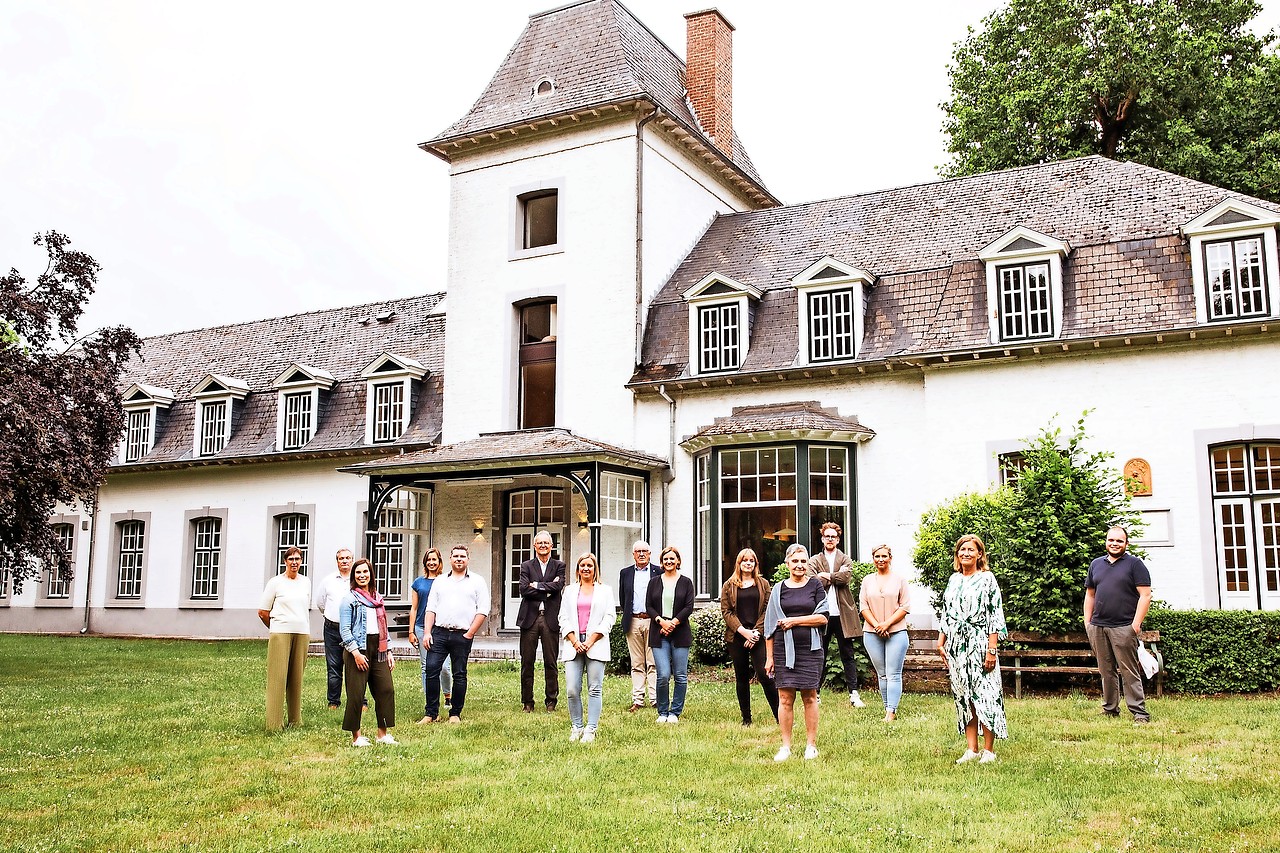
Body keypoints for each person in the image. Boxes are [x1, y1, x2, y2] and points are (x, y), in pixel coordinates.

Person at [937, 534, 1008, 764]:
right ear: (957, 554)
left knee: (985, 693)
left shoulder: (987, 579)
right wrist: (941, 641)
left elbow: (995, 615)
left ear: (979, 554)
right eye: (962, 549)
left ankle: (989, 750)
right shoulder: (953, 580)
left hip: (980, 643)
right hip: (957, 646)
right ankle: (971, 749)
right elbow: (947, 613)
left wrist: (992, 649)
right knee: (963, 695)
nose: (966, 553)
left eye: (971, 550)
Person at [764, 543, 828, 761]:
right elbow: (770, 626)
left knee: (810, 696)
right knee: (785, 698)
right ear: (787, 564)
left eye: (803, 561)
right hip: (783, 650)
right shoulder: (778, 589)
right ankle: (786, 746)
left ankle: (811, 745)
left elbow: (822, 617)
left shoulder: (816, 586)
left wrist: (794, 621)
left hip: (811, 650)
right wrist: (770, 657)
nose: (800, 565)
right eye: (795, 561)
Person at [1084, 525, 1153, 724]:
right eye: (1111, 540)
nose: (1114, 544)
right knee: (1106, 671)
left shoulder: (1135, 564)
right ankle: (1110, 709)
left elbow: (1145, 595)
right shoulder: (1096, 564)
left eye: (1119, 541)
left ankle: (1139, 712)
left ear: (1126, 544)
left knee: (1129, 671)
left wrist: (1136, 625)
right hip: (1098, 627)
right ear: (1106, 541)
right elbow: (1090, 595)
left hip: (1124, 627)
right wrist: (1087, 622)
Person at [421, 544, 490, 723]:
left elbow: (483, 609)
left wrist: (470, 633)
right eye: (456, 556)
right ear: (450, 559)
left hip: (462, 634)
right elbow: (431, 608)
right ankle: (431, 713)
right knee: (431, 670)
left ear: (468, 559)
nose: (459, 559)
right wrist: (427, 632)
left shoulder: (477, 581)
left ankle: (455, 713)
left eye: (462, 556)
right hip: (439, 633)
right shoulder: (440, 581)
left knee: (459, 674)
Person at [558, 552, 616, 743]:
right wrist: (575, 641)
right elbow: (563, 617)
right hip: (573, 642)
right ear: (578, 569)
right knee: (572, 689)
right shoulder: (569, 591)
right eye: (582, 565)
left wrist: (591, 640)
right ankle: (577, 726)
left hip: (596, 643)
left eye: (589, 566)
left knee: (594, 688)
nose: (586, 569)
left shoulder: (605, 591)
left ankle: (591, 728)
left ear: (595, 569)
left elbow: (610, 617)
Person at [338, 559, 397, 746]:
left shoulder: (378, 598)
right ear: (354, 576)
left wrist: (388, 651)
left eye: (365, 572)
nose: (362, 575)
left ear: (371, 574)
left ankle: (382, 734)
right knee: (356, 694)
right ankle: (356, 737)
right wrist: (355, 653)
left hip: (378, 649)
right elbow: (345, 629)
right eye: (358, 573)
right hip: (358, 648)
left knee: (386, 689)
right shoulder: (349, 599)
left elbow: (383, 627)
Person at [806, 521, 865, 707]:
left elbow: (845, 578)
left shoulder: (845, 558)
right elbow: (812, 580)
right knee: (819, 654)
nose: (830, 539)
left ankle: (854, 693)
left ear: (838, 539)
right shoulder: (815, 559)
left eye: (833, 536)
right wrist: (833, 576)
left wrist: (826, 576)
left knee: (847, 654)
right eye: (827, 536)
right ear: (822, 539)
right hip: (822, 614)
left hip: (842, 614)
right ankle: (816, 692)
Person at [719, 548, 779, 726]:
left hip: (759, 636)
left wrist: (755, 632)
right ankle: (746, 718)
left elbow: (768, 608)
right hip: (737, 637)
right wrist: (743, 631)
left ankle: (779, 716)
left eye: (751, 560)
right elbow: (726, 611)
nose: (748, 563)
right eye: (744, 560)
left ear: (755, 563)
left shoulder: (763, 584)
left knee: (765, 675)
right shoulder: (729, 585)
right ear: (739, 563)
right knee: (742, 677)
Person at [258, 546, 312, 732]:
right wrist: (275, 627)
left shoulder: (306, 582)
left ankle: (295, 720)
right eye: (291, 559)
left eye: (298, 559)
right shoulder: (275, 582)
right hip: (280, 632)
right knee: (278, 678)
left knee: (296, 677)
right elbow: (263, 612)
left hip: (302, 632)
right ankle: (274, 724)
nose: (295, 562)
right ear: (285, 561)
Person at [859, 544, 911, 722]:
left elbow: (905, 606)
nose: (880, 559)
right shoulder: (867, 580)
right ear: (873, 559)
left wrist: (887, 624)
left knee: (893, 673)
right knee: (881, 673)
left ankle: (891, 711)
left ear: (890, 558)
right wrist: (877, 626)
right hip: (872, 632)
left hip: (896, 632)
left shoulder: (899, 580)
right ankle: (886, 706)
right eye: (877, 556)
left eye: (884, 556)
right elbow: (863, 606)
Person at [517, 530, 566, 712]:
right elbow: (523, 589)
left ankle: (551, 701)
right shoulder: (526, 566)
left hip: (550, 618)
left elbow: (559, 586)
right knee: (527, 662)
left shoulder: (559, 565)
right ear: (534, 546)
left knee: (550, 662)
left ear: (552, 546)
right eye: (540, 543)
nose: (543, 546)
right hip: (530, 618)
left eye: (547, 543)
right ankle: (527, 702)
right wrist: (547, 588)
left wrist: (536, 585)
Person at [646, 546, 695, 724]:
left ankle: (675, 712)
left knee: (680, 675)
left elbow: (689, 606)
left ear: (678, 561)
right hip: (659, 632)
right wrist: (662, 621)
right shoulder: (654, 582)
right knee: (664, 674)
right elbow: (649, 605)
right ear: (662, 562)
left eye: (672, 559)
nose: (669, 562)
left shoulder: (686, 582)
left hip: (680, 632)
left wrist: (673, 623)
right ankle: (662, 711)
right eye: (666, 559)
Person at [409, 548, 452, 724]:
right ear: (425, 562)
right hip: (420, 627)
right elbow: (414, 608)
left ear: (439, 561)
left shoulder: (446, 581)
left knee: (444, 667)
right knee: (427, 667)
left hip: (440, 628)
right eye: (429, 560)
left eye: (434, 559)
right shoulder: (418, 583)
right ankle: (431, 704)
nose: (431, 562)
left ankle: (447, 694)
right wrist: (411, 631)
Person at [617, 540, 657, 712]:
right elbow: (622, 598)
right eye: (638, 551)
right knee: (637, 662)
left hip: (653, 621)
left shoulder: (658, 572)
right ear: (633, 554)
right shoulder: (625, 573)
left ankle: (655, 699)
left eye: (644, 551)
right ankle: (638, 699)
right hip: (633, 620)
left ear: (649, 554)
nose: (641, 554)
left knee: (653, 662)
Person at [314, 548, 356, 710]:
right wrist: (332, 616)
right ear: (337, 561)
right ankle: (333, 702)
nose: (344, 561)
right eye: (341, 558)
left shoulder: (357, 579)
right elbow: (320, 603)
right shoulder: (328, 581)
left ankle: (360, 701)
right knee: (333, 666)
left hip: (353, 629)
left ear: (352, 560)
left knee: (356, 666)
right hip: (332, 628)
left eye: (348, 558)